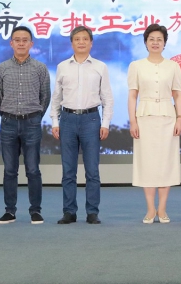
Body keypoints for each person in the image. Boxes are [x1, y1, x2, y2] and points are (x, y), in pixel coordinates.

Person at [50, 26, 114, 225]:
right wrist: (55, 121)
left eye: (85, 39)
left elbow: (107, 98)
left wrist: (105, 123)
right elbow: (56, 97)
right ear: (72, 43)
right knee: (68, 170)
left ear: (91, 43)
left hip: (91, 119)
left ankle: (92, 212)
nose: (81, 42)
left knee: (92, 170)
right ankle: (69, 212)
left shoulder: (100, 67)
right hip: (67, 119)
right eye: (77, 39)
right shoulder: (62, 66)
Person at [127, 24, 181, 224]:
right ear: (145, 42)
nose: (155, 42)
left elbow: (178, 94)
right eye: (151, 39)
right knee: (147, 163)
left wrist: (180, 118)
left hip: (168, 118)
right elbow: (132, 95)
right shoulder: (136, 66)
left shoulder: (173, 66)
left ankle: (163, 209)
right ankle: (151, 209)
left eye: (159, 39)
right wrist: (133, 121)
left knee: (166, 163)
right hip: (145, 118)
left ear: (165, 43)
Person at [0, 26, 51, 225]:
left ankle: (35, 211)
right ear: (11, 43)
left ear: (31, 44)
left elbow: (45, 96)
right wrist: (7, 115)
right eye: (17, 40)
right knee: (10, 170)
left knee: (33, 169)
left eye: (25, 40)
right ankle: (10, 211)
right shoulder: (2, 68)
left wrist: (36, 116)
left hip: (32, 122)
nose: (20, 43)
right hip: (8, 123)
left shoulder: (40, 68)